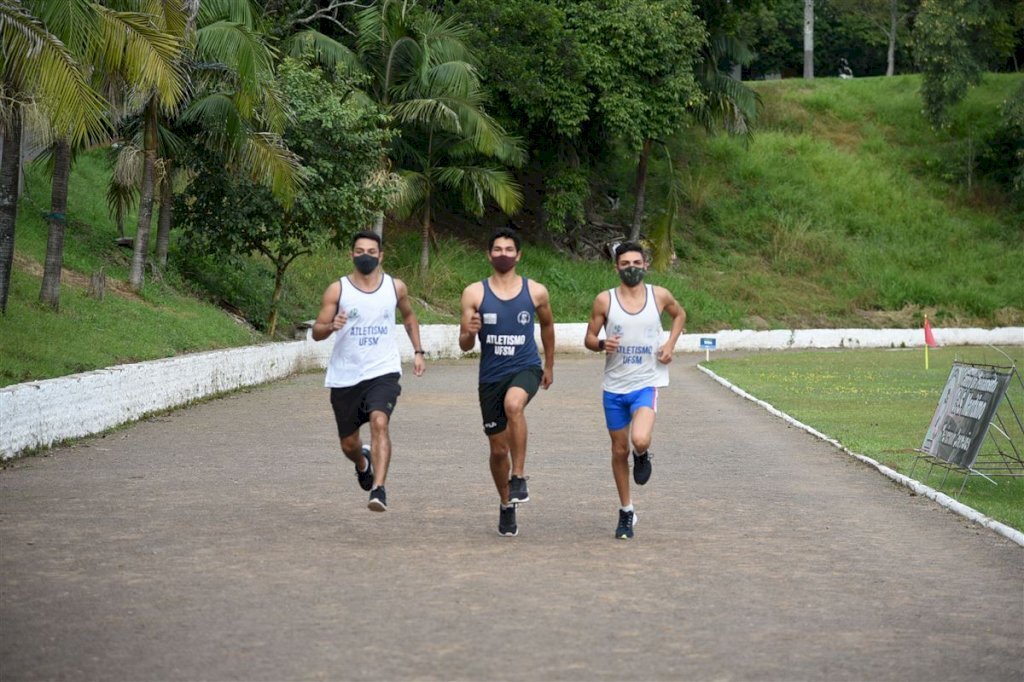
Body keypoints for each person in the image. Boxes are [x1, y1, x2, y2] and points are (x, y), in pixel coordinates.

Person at [312, 231, 426, 512]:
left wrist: (418, 351)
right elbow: (316, 332)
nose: (366, 256)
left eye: (372, 252)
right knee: (349, 444)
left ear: (381, 256)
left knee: (379, 422)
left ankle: (379, 489)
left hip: (382, 371)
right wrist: (331, 326)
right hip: (345, 376)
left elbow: (409, 316)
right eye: (360, 251)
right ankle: (362, 463)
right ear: (351, 255)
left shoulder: (395, 287)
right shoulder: (337, 290)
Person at [584, 242, 686, 539]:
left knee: (639, 438)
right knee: (618, 450)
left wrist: (669, 345)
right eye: (625, 263)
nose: (631, 268)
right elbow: (589, 337)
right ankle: (626, 510)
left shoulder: (660, 296)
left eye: (636, 263)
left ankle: (642, 453)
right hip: (614, 386)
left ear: (645, 265)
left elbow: (679, 315)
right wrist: (602, 344)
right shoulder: (605, 300)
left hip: (646, 382)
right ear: (615, 267)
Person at [459, 228, 555, 537]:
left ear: (519, 255)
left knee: (514, 404)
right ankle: (505, 503)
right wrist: (470, 331)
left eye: (509, 249)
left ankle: (520, 476)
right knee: (498, 450)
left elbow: (548, 326)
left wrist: (549, 364)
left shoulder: (536, 291)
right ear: (489, 255)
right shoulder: (474, 293)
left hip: (524, 366)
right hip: (490, 377)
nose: (503, 254)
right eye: (497, 249)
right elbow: (463, 345)